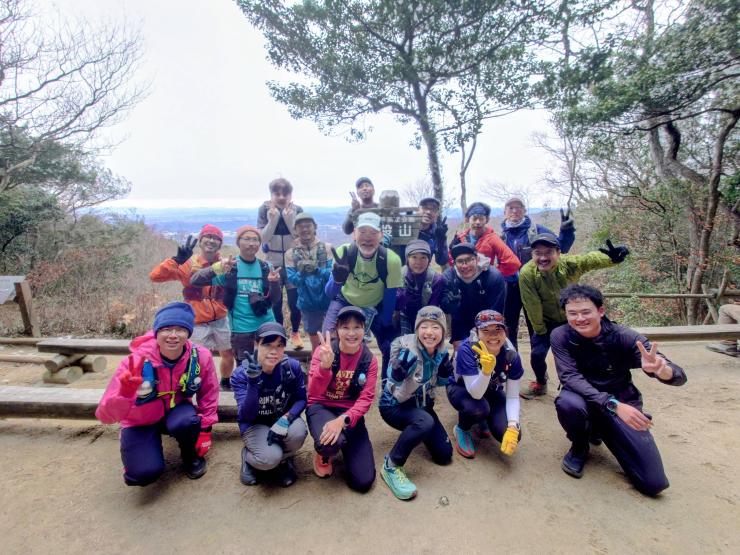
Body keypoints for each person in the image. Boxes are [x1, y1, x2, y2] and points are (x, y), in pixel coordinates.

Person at [552, 284, 687, 496]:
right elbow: (569, 377)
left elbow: (676, 374)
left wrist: (663, 371)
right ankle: (580, 445)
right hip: (590, 400)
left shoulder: (624, 336)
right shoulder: (561, 336)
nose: (580, 319)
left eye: (586, 312)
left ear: (601, 311)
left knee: (653, 483)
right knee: (568, 404)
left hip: (622, 401)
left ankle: (601, 430)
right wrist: (611, 404)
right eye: (573, 313)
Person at [96, 302, 219, 485]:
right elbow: (106, 417)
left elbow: (209, 392)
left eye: (180, 329)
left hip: (177, 410)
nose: (173, 335)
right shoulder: (134, 362)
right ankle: (142, 452)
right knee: (142, 474)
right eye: (166, 329)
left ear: (188, 333)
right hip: (140, 420)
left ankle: (189, 455)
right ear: (156, 332)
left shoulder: (200, 356)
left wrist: (206, 428)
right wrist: (125, 394)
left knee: (188, 422)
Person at [519, 233, 630, 398]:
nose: (543, 257)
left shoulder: (569, 264)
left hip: (573, 319)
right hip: (546, 321)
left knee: (585, 351)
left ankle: (592, 383)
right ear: (532, 254)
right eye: (538, 253)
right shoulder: (527, 273)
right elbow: (532, 304)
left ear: (558, 253)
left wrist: (611, 259)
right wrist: (541, 331)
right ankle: (541, 383)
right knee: (537, 354)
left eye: (548, 252)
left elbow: (589, 260)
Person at [379, 306, 453, 500]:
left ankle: (419, 430)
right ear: (417, 328)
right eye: (424, 326)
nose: (429, 332)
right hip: (394, 406)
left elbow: (439, 383)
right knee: (424, 422)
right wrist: (397, 376)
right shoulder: (405, 349)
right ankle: (392, 465)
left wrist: (444, 375)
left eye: (435, 327)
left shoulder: (441, 351)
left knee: (444, 455)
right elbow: (393, 388)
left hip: (422, 405)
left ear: (443, 331)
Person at [149, 224, 235, 390]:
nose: (211, 240)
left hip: (221, 318)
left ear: (220, 243)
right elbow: (155, 276)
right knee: (196, 356)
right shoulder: (188, 264)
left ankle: (225, 381)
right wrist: (176, 260)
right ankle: (198, 385)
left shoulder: (226, 264)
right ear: (200, 241)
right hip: (197, 320)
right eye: (207, 236)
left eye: (216, 238)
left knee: (228, 352)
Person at [307, 307, 378, 492]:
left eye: (357, 327)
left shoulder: (369, 359)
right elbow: (313, 393)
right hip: (322, 406)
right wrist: (325, 367)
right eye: (345, 327)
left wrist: (342, 420)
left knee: (363, 481)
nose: (351, 333)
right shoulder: (324, 352)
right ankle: (324, 453)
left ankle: (344, 442)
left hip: (348, 412)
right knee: (329, 443)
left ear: (364, 330)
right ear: (337, 330)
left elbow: (366, 398)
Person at [323, 211, 403, 375]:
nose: (367, 238)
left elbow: (390, 297)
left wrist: (385, 323)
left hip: (375, 303)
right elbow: (330, 293)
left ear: (381, 236)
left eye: (373, 233)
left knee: (391, 346)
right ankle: (334, 380)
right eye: (362, 232)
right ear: (354, 234)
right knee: (327, 340)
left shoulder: (391, 260)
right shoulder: (344, 253)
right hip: (345, 300)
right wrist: (337, 279)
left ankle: (388, 383)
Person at [231, 322, 307, 488]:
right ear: (256, 344)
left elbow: (302, 399)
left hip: (281, 418)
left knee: (298, 433)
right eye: (267, 345)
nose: (274, 351)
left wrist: (287, 419)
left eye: (279, 346)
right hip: (255, 424)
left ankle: (283, 460)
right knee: (269, 459)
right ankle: (249, 458)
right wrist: (253, 382)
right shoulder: (241, 374)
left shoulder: (291, 367)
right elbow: (247, 415)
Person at [191, 225, 281, 364]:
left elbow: (274, 300)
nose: (251, 243)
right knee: (244, 369)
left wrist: (274, 283)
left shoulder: (265, 267)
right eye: (247, 239)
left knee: (270, 366)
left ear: (260, 243)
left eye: (255, 239)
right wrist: (217, 268)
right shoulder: (230, 267)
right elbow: (195, 281)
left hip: (266, 326)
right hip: (241, 330)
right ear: (238, 242)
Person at [446, 310, 524, 459]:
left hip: (492, 388)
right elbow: (475, 393)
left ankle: (484, 420)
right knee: (479, 408)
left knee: (512, 433)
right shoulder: (467, 349)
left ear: (505, 332)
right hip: (462, 388)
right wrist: (486, 372)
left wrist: (513, 426)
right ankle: (463, 429)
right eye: (486, 330)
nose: (493, 335)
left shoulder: (511, 354)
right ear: (477, 332)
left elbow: (513, 396)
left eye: (498, 329)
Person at [500, 198, 576, 350]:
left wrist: (566, 232)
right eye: (510, 208)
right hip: (509, 287)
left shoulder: (537, 231)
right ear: (505, 212)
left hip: (534, 284)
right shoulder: (501, 236)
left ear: (524, 211)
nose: (514, 211)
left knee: (535, 323)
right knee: (508, 325)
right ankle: (511, 360)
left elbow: (561, 248)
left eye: (518, 207)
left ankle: (538, 361)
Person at [257, 177, 305, 350]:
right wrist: (273, 219)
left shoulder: (297, 210)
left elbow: (300, 237)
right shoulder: (264, 209)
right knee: (275, 302)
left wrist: (289, 219)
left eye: (285, 193)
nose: (281, 197)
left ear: (291, 195)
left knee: (295, 302)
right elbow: (263, 238)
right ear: (271, 195)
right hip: (273, 263)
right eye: (277, 193)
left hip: (293, 263)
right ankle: (278, 333)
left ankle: (295, 333)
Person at [441, 242, 506, 348]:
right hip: (460, 324)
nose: (465, 265)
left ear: (477, 259)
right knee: (461, 353)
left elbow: (496, 310)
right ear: (454, 263)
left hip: (488, 323)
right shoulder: (449, 277)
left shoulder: (494, 277)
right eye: (460, 261)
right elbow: (445, 309)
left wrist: (481, 332)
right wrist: (451, 304)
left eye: (469, 260)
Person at [285, 213, 333, 352]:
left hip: (329, 300)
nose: (305, 229)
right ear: (295, 230)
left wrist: (316, 269)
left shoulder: (327, 248)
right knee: (314, 339)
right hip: (307, 303)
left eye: (308, 226)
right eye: (300, 227)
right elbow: (293, 281)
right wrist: (302, 272)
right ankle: (316, 363)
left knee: (333, 337)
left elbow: (332, 276)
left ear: (315, 227)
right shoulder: (290, 254)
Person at [448, 201, 521, 278]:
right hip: (463, 281)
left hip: (484, 282)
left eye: (481, 219)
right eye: (474, 219)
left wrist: (494, 274)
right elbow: (451, 262)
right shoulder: (460, 238)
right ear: (467, 219)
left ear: (487, 220)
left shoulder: (493, 238)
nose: (478, 222)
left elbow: (513, 263)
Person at [396, 240, 444, 334]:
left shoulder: (436, 279)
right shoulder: (398, 275)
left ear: (429, 260)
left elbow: (432, 308)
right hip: (403, 315)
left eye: (423, 257)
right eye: (414, 257)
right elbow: (395, 306)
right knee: (404, 340)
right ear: (407, 259)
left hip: (427, 316)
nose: (418, 262)